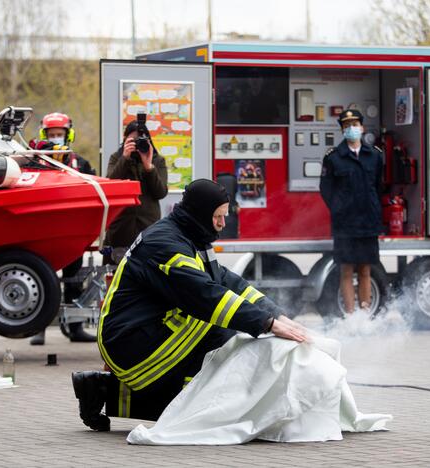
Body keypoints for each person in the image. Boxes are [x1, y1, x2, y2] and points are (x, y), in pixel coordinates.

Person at [71, 179, 307, 431]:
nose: (222, 223)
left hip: (147, 334)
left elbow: (226, 281)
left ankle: (100, 389)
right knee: (219, 333)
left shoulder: (191, 234)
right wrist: (265, 324)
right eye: (217, 216)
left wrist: (276, 314)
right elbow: (205, 295)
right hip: (131, 343)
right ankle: (219, 402)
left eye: (224, 216)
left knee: (207, 363)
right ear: (201, 213)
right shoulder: (165, 245)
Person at [30, 112, 97, 345]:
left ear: (68, 135)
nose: (56, 138)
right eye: (52, 135)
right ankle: (39, 329)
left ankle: (75, 326)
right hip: (44, 232)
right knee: (42, 281)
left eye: (60, 135)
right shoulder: (35, 162)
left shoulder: (81, 164)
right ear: (44, 135)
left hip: (72, 233)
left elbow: (95, 192)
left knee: (74, 280)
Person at [319, 110, 383, 315]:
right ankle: (351, 315)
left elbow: (380, 186)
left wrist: (372, 206)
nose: (351, 129)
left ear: (362, 128)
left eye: (354, 124)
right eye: (346, 126)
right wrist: (339, 209)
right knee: (346, 270)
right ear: (342, 130)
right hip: (345, 224)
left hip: (368, 223)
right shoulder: (334, 157)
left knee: (365, 269)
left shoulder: (374, 155)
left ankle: (364, 315)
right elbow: (325, 189)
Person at [103, 118, 168, 264]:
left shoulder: (157, 161)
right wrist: (124, 158)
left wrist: (148, 167)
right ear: (125, 140)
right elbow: (110, 184)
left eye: (141, 140)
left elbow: (161, 192)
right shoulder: (117, 158)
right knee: (116, 273)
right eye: (133, 140)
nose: (137, 144)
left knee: (148, 271)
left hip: (148, 227)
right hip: (120, 228)